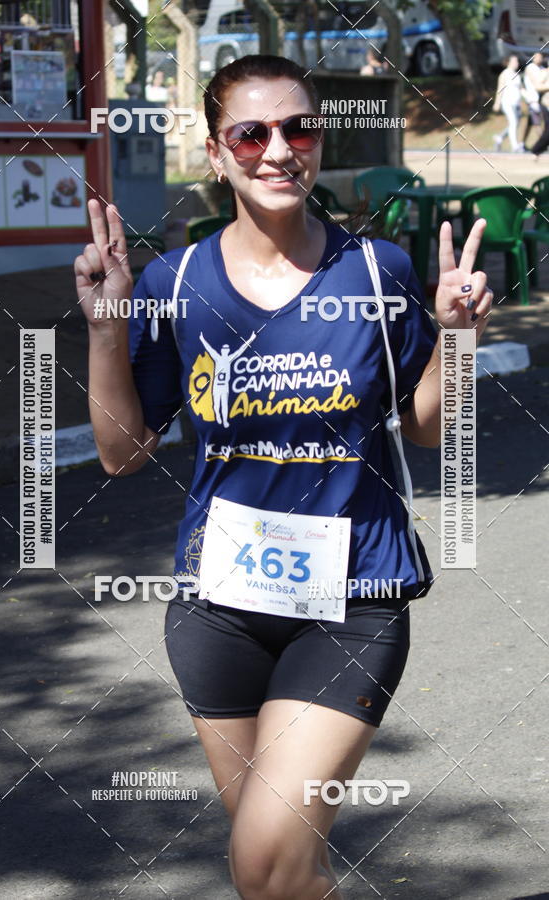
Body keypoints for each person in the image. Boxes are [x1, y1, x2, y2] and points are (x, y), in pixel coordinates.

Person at [74, 54, 492, 899]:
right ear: (217, 148)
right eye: (252, 132)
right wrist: (107, 323)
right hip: (219, 610)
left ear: (320, 140)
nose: (279, 150)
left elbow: (430, 426)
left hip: (350, 603)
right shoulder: (175, 282)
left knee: (265, 856)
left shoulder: (379, 274)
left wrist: (458, 336)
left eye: (300, 128)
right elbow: (122, 452)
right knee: (280, 873)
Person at [492, 54, 524, 152]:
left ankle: (500, 137)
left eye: (517, 61)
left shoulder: (517, 74)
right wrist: (497, 103)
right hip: (507, 103)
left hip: (516, 103)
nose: (517, 63)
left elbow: (521, 89)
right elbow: (500, 89)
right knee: (513, 122)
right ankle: (515, 146)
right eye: (514, 61)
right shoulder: (504, 74)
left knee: (515, 124)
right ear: (508, 62)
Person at [522, 52, 549, 156]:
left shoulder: (541, 68)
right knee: (537, 123)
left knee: (533, 123)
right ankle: (537, 149)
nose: (540, 59)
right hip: (536, 100)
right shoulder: (532, 68)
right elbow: (537, 85)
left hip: (539, 101)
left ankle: (525, 144)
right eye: (539, 56)